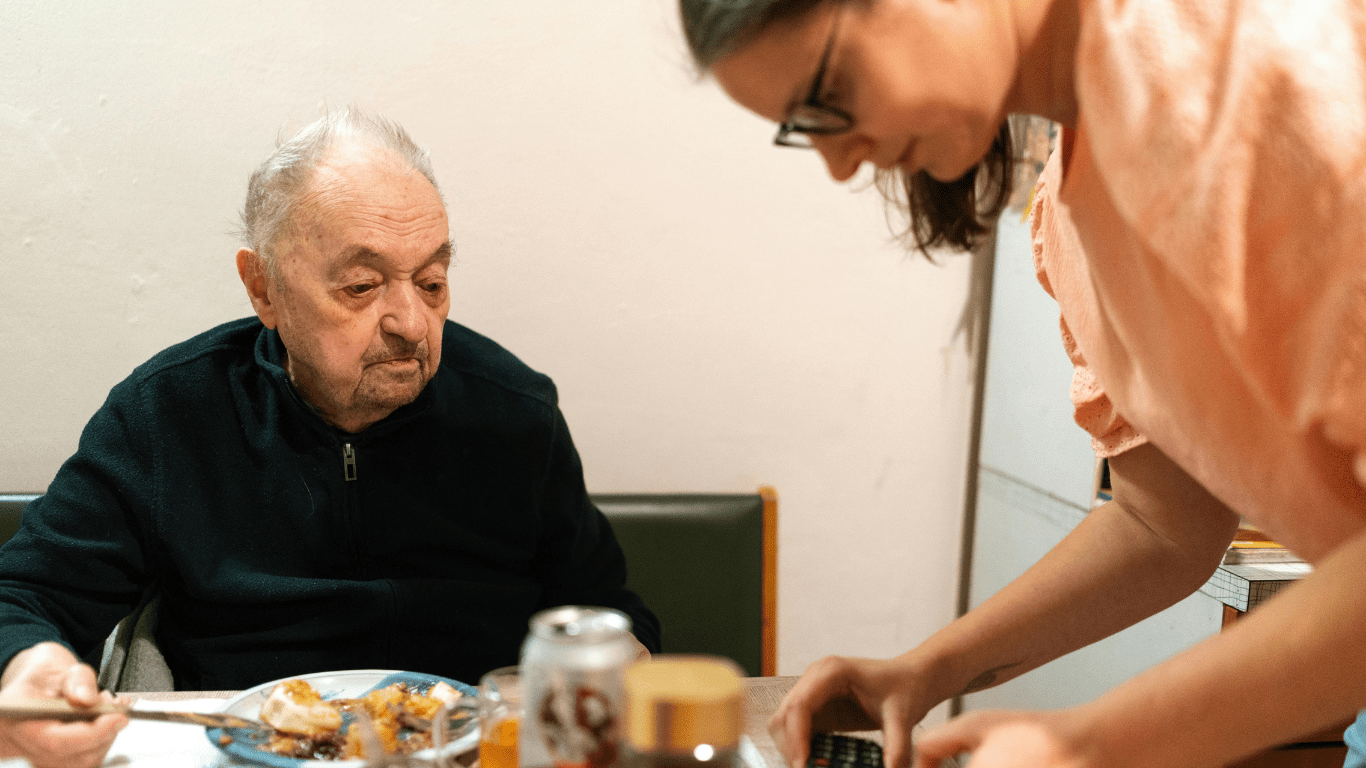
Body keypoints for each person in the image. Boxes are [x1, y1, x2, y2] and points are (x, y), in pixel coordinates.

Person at [676, 0, 1366, 767]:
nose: (841, 164)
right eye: (802, 131)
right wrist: (928, 670)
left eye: (827, 95)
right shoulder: (1073, 214)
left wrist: (1095, 742)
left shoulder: (1259, 78)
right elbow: (1162, 525)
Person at [0, 107, 660, 768]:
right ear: (264, 288)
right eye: (362, 285)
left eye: (432, 282)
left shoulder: (514, 413)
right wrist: (28, 664)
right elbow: (23, 597)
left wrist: (621, 657)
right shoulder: (167, 415)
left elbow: (611, 613)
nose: (411, 322)